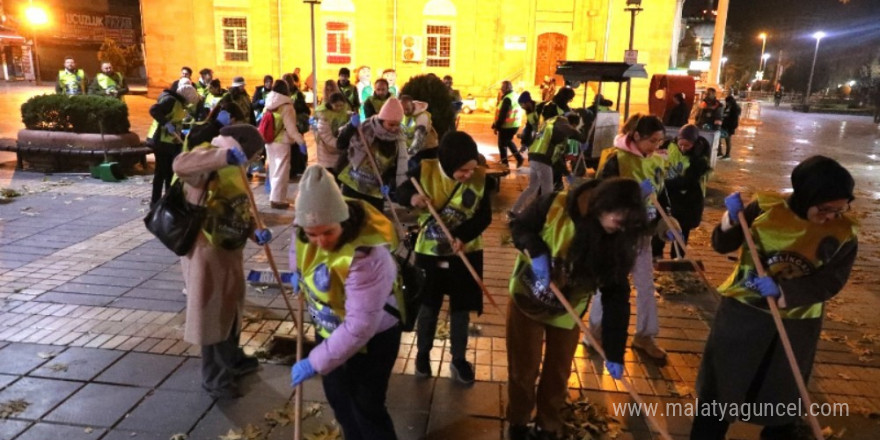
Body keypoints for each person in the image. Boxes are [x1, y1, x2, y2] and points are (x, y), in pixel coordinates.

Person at [690, 156, 859, 440]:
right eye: (826, 208)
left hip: (795, 325)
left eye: (840, 209)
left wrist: (785, 292)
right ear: (806, 196)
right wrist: (732, 220)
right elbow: (723, 244)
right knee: (720, 395)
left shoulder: (843, 233)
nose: (832, 215)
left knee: (781, 399)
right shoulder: (767, 208)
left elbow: (832, 280)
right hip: (742, 316)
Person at [507, 178, 650, 440]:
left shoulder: (617, 240)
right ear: (601, 207)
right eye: (618, 222)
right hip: (527, 298)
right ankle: (518, 420)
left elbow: (616, 297)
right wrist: (535, 249)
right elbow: (519, 226)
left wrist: (615, 351)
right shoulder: (555, 204)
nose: (620, 231)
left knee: (558, 372)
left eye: (627, 226)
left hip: (567, 311)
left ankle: (547, 426)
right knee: (523, 369)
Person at [288, 165, 403, 440]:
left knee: (367, 406)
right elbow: (299, 248)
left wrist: (314, 362)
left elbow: (359, 327)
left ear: (343, 221)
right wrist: (297, 274)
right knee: (339, 398)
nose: (320, 241)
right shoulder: (305, 232)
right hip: (329, 326)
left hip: (372, 338)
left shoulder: (368, 258)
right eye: (312, 234)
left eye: (327, 232)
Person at [173, 124, 272, 399]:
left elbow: (239, 205)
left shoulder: (237, 168)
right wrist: (223, 157)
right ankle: (215, 377)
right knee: (211, 312)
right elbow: (180, 165)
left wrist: (256, 231)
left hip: (229, 248)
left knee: (231, 309)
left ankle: (232, 359)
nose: (254, 161)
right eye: (254, 155)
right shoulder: (210, 156)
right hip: (206, 249)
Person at [396, 131, 494, 385]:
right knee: (428, 307)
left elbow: (484, 217)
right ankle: (422, 355)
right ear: (450, 163)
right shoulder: (425, 171)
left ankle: (459, 359)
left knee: (461, 309)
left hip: (466, 251)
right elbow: (400, 192)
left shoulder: (480, 179)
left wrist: (462, 236)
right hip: (429, 252)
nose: (468, 175)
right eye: (463, 170)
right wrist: (413, 198)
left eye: (472, 169)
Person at [591, 114, 670, 360]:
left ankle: (645, 335)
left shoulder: (656, 161)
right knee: (608, 284)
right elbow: (602, 196)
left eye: (659, 141)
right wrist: (634, 196)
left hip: (643, 234)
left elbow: (662, 195)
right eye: (652, 141)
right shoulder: (616, 159)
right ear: (636, 136)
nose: (656, 146)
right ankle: (595, 332)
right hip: (618, 234)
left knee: (645, 283)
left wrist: (666, 221)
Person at [336, 98, 409, 212]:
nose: (395, 128)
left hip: (374, 191)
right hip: (352, 185)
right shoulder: (365, 129)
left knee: (373, 223)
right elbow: (341, 144)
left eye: (398, 124)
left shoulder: (398, 141)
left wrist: (389, 183)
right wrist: (351, 127)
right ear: (382, 120)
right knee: (350, 221)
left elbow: (395, 167)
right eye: (391, 124)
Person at [653, 125, 710, 259]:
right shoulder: (669, 146)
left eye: (687, 145)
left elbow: (688, 181)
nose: (683, 148)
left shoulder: (699, 159)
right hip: (668, 196)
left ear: (694, 143)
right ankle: (656, 254)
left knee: (681, 229)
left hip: (688, 200)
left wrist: (664, 183)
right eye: (681, 144)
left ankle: (677, 258)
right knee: (661, 223)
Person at [511, 113, 587, 215]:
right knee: (548, 191)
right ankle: (543, 215)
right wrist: (582, 138)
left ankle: (514, 211)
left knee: (532, 187)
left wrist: (567, 173)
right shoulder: (562, 122)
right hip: (543, 158)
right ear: (573, 124)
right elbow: (572, 132)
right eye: (575, 126)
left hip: (534, 156)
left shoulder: (551, 123)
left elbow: (558, 158)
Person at [146, 82, 201, 205]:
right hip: (160, 141)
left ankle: (161, 201)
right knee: (164, 173)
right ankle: (160, 202)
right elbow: (154, 110)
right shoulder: (170, 100)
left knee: (165, 172)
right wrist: (166, 124)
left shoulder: (178, 102)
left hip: (169, 141)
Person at [262, 80, 306, 209]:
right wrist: (301, 142)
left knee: (274, 169)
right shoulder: (287, 106)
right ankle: (277, 199)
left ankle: (274, 196)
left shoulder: (269, 102)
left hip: (269, 140)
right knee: (281, 171)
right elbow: (291, 129)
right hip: (282, 142)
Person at [315, 92, 351, 174]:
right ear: (330, 104)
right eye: (336, 105)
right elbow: (326, 136)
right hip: (327, 152)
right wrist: (340, 144)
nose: (339, 108)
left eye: (341, 105)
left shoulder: (345, 113)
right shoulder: (324, 116)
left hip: (338, 151)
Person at [400, 94, 439, 166]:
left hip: (426, 151)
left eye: (407, 109)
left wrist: (408, 156)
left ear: (412, 105)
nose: (405, 112)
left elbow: (419, 139)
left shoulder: (422, 116)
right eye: (402, 109)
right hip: (411, 150)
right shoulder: (401, 114)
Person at [492, 80, 525, 167]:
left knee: (502, 145)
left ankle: (504, 165)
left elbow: (503, 115)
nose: (501, 89)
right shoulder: (515, 96)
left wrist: (497, 126)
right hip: (515, 124)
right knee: (508, 141)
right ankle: (519, 158)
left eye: (502, 87)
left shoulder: (507, 99)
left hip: (507, 126)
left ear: (506, 88)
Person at [719, 95, 740, 159]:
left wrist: (731, 127)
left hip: (729, 127)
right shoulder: (727, 107)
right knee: (719, 139)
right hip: (724, 126)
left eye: (727, 101)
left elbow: (734, 120)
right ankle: (720, 152)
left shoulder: (734, 109)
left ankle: (727, 154)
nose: (726, 103)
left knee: (727, 141)